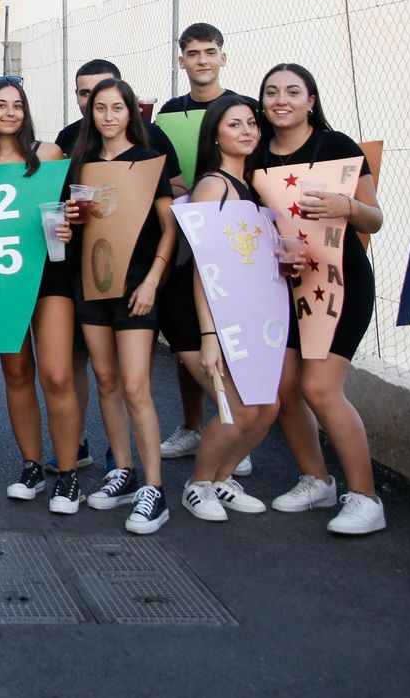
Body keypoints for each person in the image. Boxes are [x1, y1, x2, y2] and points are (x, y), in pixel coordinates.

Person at [255, 64, 387, 536]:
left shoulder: (336, 146)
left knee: (321, 388)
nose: (281, 100)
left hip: (340, 281)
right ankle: (317, 481)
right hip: (283, 285)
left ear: (311, 100)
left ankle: (366, 498)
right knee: (284, 388)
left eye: (293, 91)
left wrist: (346, 207)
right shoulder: (256, 152)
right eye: (272, 92)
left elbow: (374, 219)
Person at [51, 58, 182, 475]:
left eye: (117, 108)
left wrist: (153, 281)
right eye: (100, 108)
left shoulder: (149, 160)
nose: (109, 116)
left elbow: (170, 226)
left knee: (135, 385)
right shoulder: (78, 163)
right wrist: (67, 226)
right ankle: (122, 472)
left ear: (131, 112)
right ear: (90, 113)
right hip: (90, 283)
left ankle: (153, 486)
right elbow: (71, 225)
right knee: (106, 380)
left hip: (137, 283)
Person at [0, 76, 84, 514]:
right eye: (1, 105)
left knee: (56, 374)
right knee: (16, 373)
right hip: (0, 277)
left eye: (17, 105)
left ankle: (68, 473)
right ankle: (31, 466)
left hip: (49, 272)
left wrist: (69, 225)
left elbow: (70, 211)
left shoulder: (48, 153)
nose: (10, 112)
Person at [156, 24, 254, 478]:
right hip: (182, 234)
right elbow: (163, 175)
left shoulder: (243, 109)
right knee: (185, 337)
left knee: (227, 336)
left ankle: (234, 428)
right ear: (182, 61)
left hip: (234, 238)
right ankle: (194, 426)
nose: (201, 60)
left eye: (209, 52)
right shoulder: (167, 115)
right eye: (192, 53)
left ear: (222, 57)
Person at [179, 95, 281, 523]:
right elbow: (203, 264)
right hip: (203, 316)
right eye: (234, 124)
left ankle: (221, 478)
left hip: (241, 313)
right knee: (236, 407)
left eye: (251, 124)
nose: (246, 131)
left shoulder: (252, 185)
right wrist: (209, 336)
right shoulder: (213, 185)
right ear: (216, 136)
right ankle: (197, 485)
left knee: (267, 406)